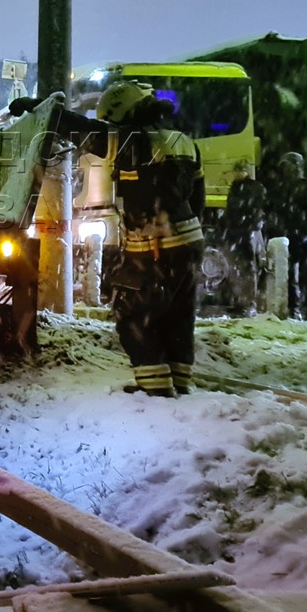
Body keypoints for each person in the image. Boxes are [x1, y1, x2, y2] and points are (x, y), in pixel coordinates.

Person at [96, 80, 206, 397]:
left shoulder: (133, 140)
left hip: (157, 244)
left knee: (133, 312)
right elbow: (196, 199)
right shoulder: (183, 141)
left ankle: (155, 391)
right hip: (187, 240)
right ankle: (179, 382)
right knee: (178, 315)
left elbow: (82, 130)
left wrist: (47, 113)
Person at [267, 151, 307, 318]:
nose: (286, 170)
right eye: (284, 167)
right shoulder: (281, 189)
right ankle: (295, 309)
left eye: (289, 166)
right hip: (290, 239)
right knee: (291, 277)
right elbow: (274, 212)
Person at [222, 160, 267, 311]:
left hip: (245, 232)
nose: (234, 174)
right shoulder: (241, 187)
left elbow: (254, 209)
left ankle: (248, 302)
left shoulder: (252, 188)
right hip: (240, 231)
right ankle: (241, 301)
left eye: (237, 171)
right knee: (238, 267)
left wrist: (248, 225)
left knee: (247, 267)